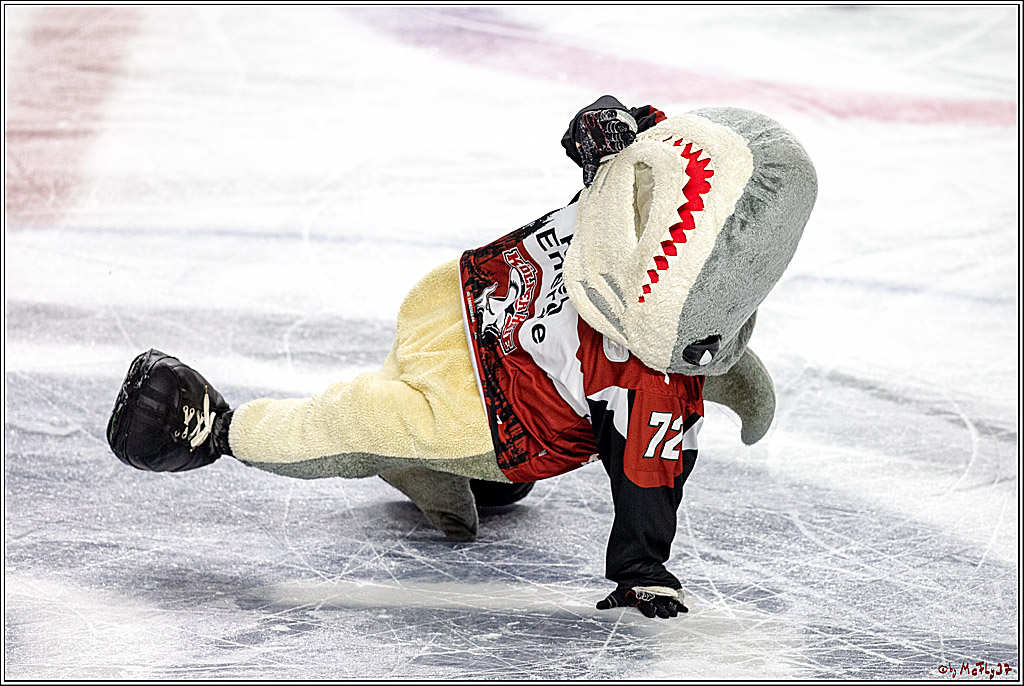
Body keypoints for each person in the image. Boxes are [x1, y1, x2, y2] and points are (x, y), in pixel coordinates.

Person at [106, 95, 817, 620]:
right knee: (483, 482)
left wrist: (643, 570)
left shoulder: (657, 375)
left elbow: (649, 469)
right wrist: (611, 124)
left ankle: (218, 429)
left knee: (364, 420)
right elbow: (645, 140)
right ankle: (451, 479)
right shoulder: (638, 179)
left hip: (488, 416)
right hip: (459, 303)